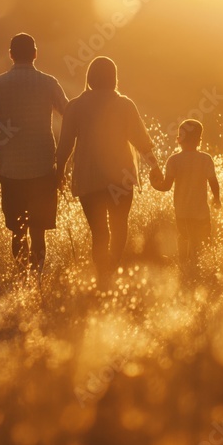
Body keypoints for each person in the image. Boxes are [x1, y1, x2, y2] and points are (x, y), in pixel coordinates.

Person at [55, 56, 162, 278]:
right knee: (119, 224)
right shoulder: (124, 104)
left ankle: (103, 273)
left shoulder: (76, 106)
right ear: (113, 78)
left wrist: (58, 173)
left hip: (89, 178)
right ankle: (112, 264)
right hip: (120, 177)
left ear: (90, 79)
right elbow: (141, 141)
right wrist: (155, 167)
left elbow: (65, 144)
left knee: (99, 231)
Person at [0, 33, 69, 276]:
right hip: (43, 168)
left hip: (10, 169)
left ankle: (21, 279)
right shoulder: (49, 83)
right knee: (38, 232)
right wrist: (64, 161)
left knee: (18, 231)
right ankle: (36, 280)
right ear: (35, 54)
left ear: (11, 55)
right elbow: (69, 118)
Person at [151, 119, 220, 269]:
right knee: (203, 241)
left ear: (179, 139)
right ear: (199, 140)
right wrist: (217, 198)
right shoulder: (205, 159)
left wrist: (155, 184)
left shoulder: (174, 160)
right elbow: (213, 182)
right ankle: (202, 268)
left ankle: (184, 267)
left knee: (184, 238)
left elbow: (166, 187)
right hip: (201, 211)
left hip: (182, 212)